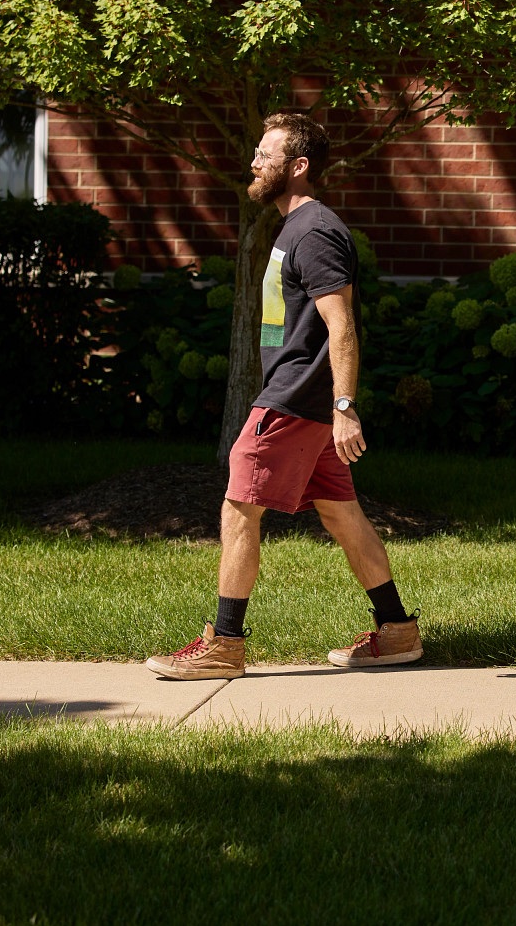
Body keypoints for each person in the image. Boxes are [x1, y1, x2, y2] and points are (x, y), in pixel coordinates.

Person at [146, 110, 422, 679]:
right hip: (306, 401)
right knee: (341, 513)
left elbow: (341, 327)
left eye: (265, 156)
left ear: (297, 167)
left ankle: (224, 644)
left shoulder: (315, 231)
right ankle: (396, 630)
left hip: (298, 397)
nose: (253, 162)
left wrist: (344, 407)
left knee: (239, 503)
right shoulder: (293, 226)